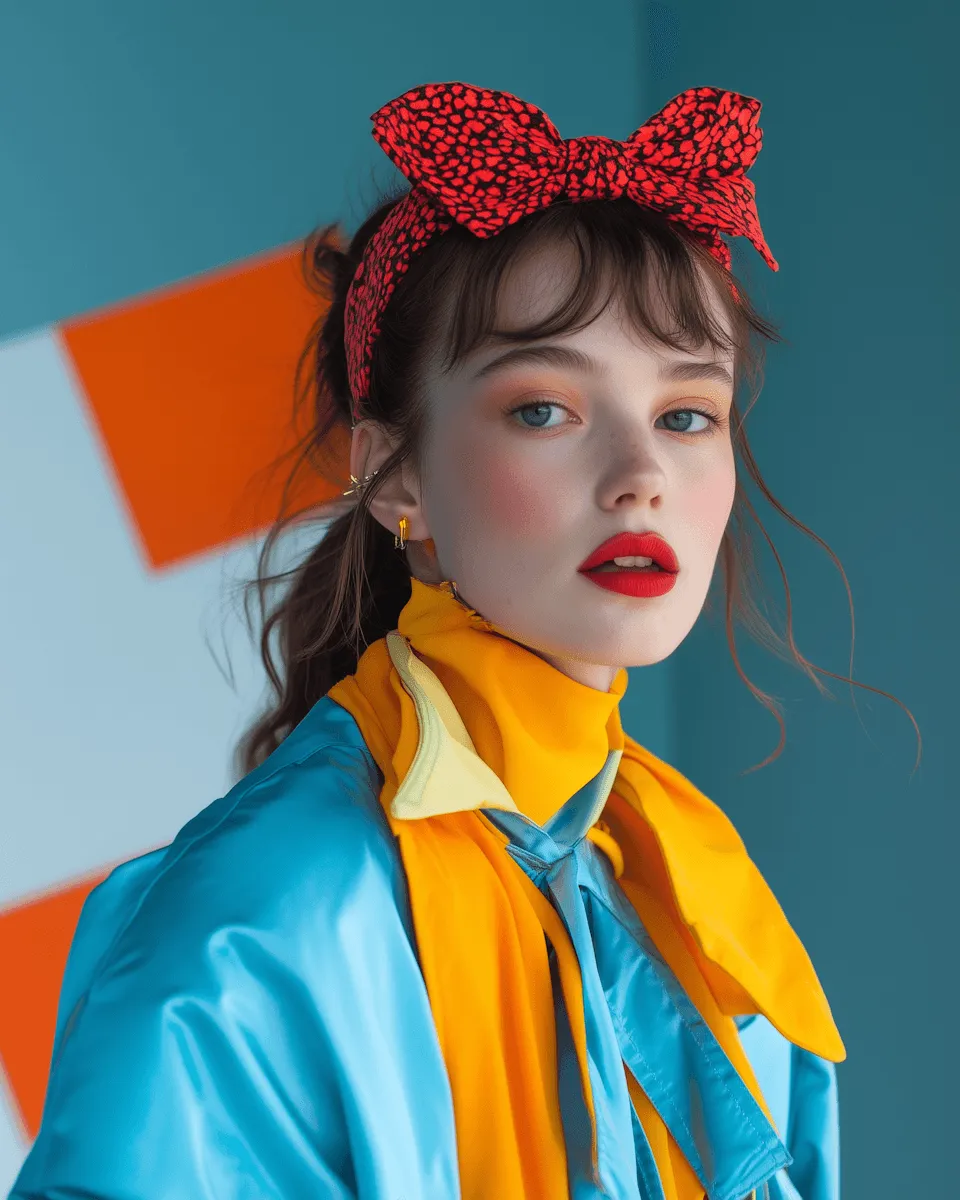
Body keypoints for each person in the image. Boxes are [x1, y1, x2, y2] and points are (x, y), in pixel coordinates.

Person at [17, 78, 917, 1200]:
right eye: (546, 409)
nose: (641, 478)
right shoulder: (263, 912)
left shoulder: (687, 888)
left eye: (688, 414)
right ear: (396, 476)